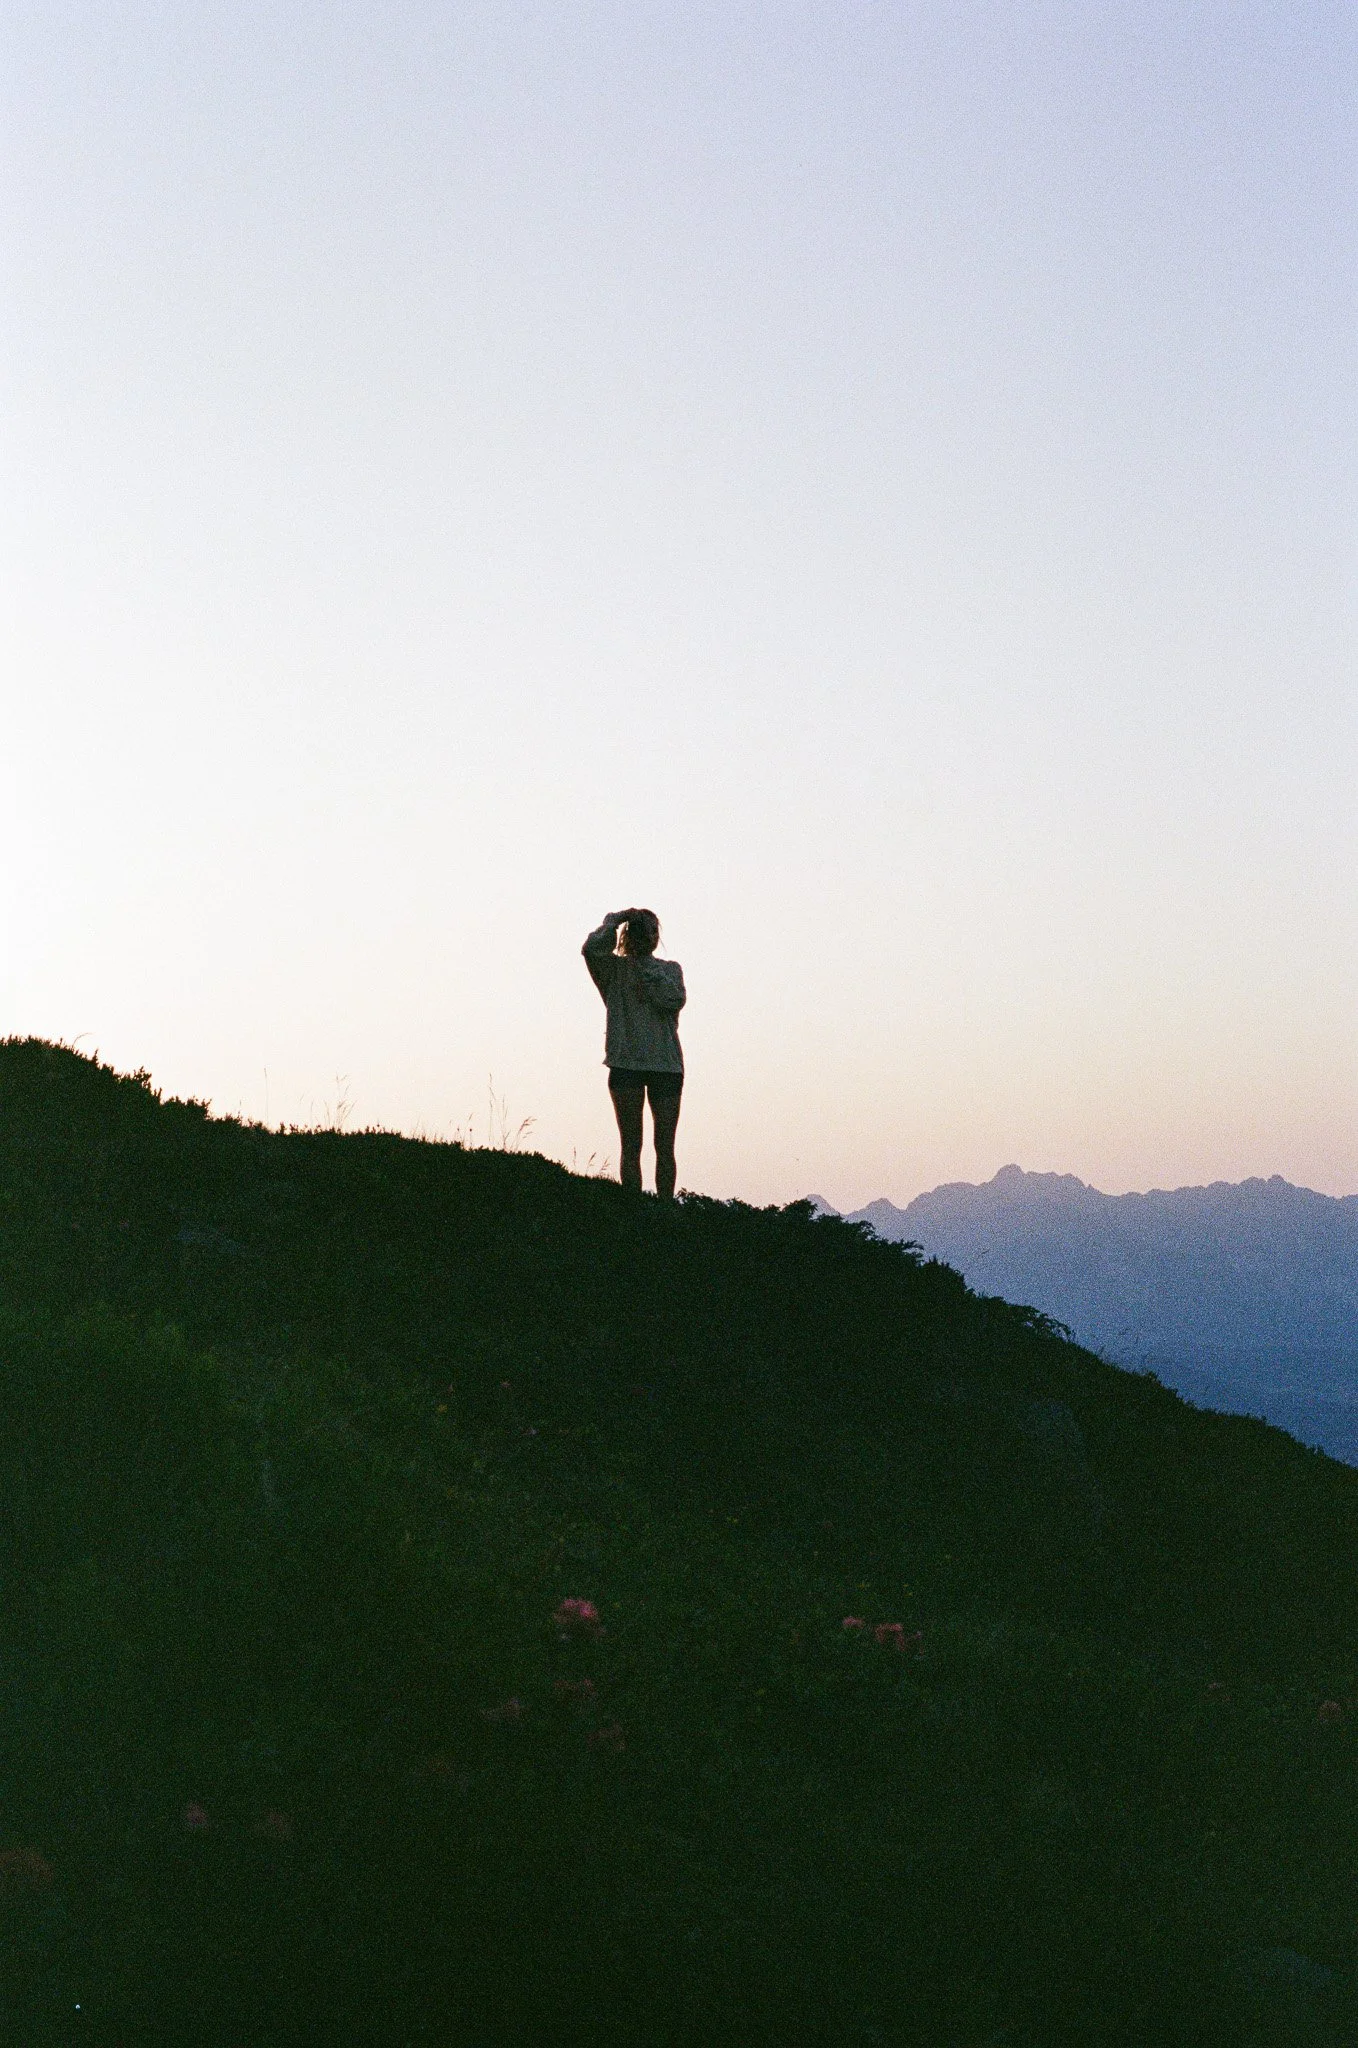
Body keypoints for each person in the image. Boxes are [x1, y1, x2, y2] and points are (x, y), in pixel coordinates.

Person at [582, 908, 686, 1198]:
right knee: (631, 1144)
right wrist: (614, 919)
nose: (649, 936)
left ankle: (664, 1205)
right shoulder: (613, 970)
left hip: (665, 1065)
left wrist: (645, 971)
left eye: (653, 931)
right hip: (626, 1062)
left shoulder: (669, 969)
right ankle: (633, 1208)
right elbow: (590, 949)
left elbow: (674, 999)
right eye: (641, 930)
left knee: (664, 1145)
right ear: (628, 935)